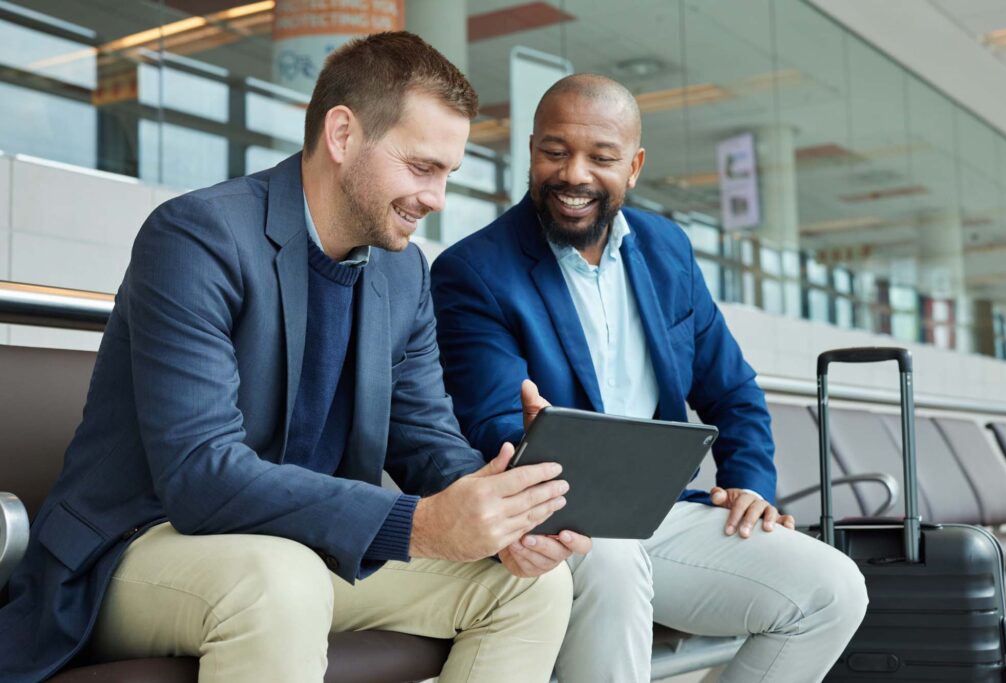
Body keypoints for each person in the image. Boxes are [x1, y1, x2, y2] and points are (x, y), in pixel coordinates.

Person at [0, 32, 582, 683]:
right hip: (136, 548)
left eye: (448, 174)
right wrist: (417, 523)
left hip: (303, 547)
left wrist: (506, 505)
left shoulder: (404, 274)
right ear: (342, 135)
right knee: (284, 580)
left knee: (533, 584)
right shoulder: (196, 237)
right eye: (421, 168)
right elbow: (202, 475)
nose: (438, 198)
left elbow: (426, 440)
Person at [431, 73, 869, 683]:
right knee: (609, 558)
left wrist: (749, 486)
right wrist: (540, 446)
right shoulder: (473, 271)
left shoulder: (668, 251)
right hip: (559, 518)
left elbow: (733, 391)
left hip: (665, 515)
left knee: (832, 588)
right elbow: (492, 421)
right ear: (530, 151)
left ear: (633, 167)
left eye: (601, 158)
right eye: (555, 152)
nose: (574, 174)